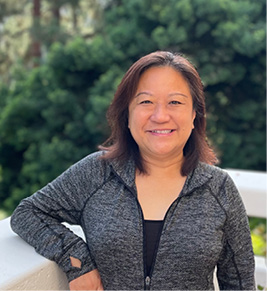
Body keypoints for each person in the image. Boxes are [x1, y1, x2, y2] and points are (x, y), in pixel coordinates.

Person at [10, 51, 255, 290]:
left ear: (194, 115)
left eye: (175, 102)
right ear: (127, 114)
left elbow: (240, 284)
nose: (160, 116)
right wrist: (77, 260)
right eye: (146, 101)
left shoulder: (219, 189)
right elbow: (28, 213)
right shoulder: (97, 172)